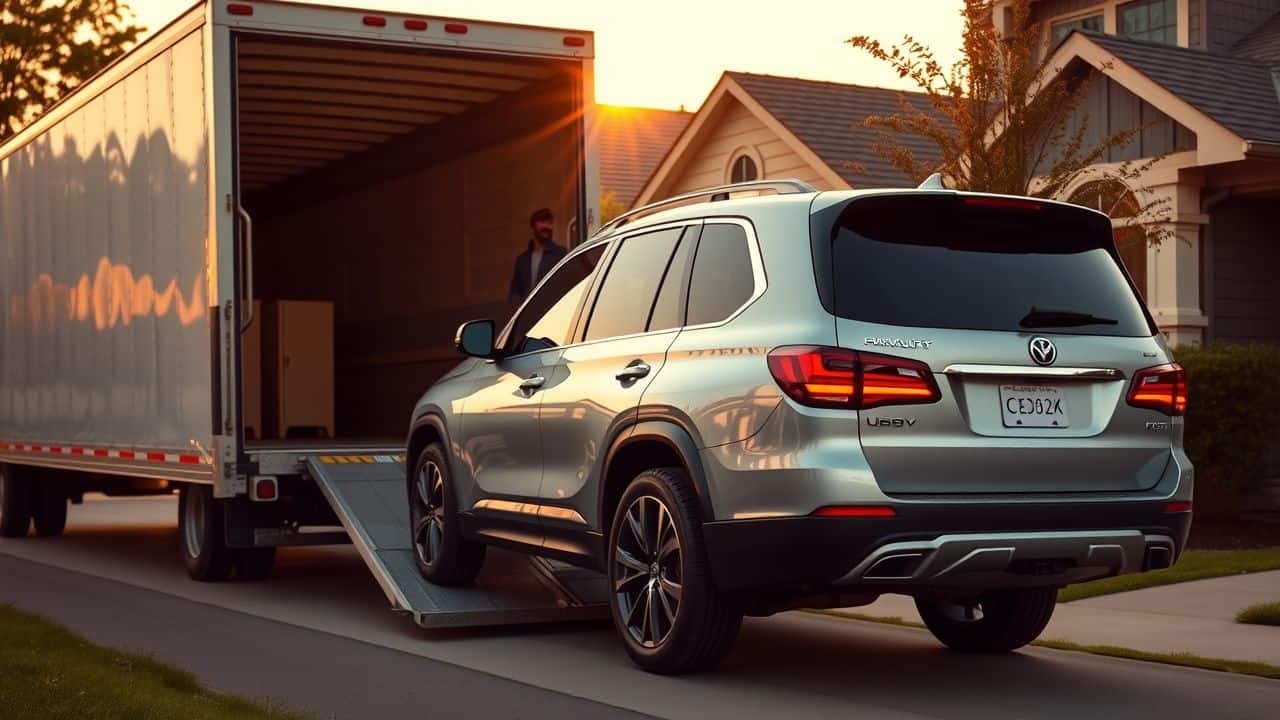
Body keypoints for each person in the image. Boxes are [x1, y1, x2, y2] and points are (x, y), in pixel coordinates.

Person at [508, 207, 567, 304]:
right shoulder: (523, 260)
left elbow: (565, 286)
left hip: (551, 311)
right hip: (528, 314)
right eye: (542, 222)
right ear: (533, 226)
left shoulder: (560, 254)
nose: (546, 226)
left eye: (550, 223)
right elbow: (515, 291)